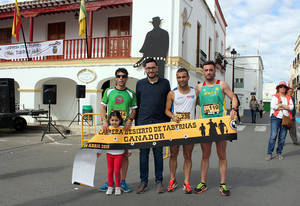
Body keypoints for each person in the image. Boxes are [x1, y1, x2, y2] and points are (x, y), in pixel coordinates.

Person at [195, 60, 238, 196]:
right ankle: (203, 182)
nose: (208, 72)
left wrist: (233, 109)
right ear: (203, 72)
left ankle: (223, 184)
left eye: (211, 70)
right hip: (205, 126)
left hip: (221, 126)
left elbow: (234, 97)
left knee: (222, 155)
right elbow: (192, 102)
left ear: (215, 71)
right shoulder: (199, 88)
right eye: (206, 70)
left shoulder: (222, 85)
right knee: (205, 155)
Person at [98, 68, 137, 193]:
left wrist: (130, 120)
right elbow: (103, 107)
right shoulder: (109, 91)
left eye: (124, 76)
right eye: (119, 76)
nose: (121, 78)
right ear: (116, 78)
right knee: (111, 154)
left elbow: (134, 109)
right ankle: (110, 182)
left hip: (124, 130)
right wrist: (104, 121)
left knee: (125, 155)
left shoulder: (131, 93)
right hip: (111, 129)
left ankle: (123, 181)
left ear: (126, 78)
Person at [135, 58, 171, 194]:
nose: (150, 70)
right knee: (143, 154)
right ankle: (143, 181)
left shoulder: (165, 83)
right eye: (148, 68)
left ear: (157, 69)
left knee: (158, 154)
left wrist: (167, 122)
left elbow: (168, 102)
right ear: (145, 69)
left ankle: (159, 181)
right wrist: (136, 124)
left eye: (153, 68)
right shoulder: (140, 84)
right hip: (143, 123)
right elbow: (137, 104)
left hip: (160, 124)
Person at [165, 68, 198, 194]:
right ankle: (172, 180)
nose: (181, 79)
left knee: (187, 155)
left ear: (188, 77)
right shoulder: (172, 93)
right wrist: (173, 116)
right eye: (179, 77)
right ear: (176, 78)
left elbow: (204, 105)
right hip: (175, 129)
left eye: (183, 77)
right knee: (173, 155)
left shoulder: (195, 92)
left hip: (190, 129)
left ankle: (186, 182)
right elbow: (167, 110)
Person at [104, 111, 132, 195]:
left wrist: (129, 150)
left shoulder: (123, 129)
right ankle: (110, 186)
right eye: (112, 120)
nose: (114, 122)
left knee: (116, 171)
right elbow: (102, 140)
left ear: (120, 120)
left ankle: (118, 187)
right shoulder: (107, 129)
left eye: (116, 120)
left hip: (119, 154)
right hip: (109, 154)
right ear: (109, 120)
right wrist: (98, 151)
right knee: (110, 171)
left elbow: (127, 140)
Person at [265, 81, 294, 161]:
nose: (283, 88)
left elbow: (291, 107)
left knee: (282, 137)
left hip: (285, 118)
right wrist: (286, 107)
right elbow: (273, 107)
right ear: (278, 88)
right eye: (281, 87)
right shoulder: (275, 96)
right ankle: (269, 153)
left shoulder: (289, 97)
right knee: (273, 136)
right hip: (275, 118)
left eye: (284, 87)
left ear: (286, 89)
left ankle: (279, 153)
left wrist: (281, 106)